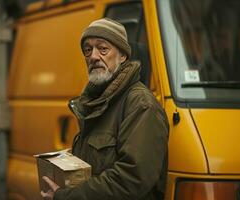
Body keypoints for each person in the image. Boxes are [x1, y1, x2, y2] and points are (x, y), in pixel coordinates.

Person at [41, 18, 169, 200]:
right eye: (88, 50)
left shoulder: (140, 104)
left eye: (103, 49)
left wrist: (66, 197)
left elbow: (131, 180)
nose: (93, 56)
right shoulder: (98, 101)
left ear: (123, 56)